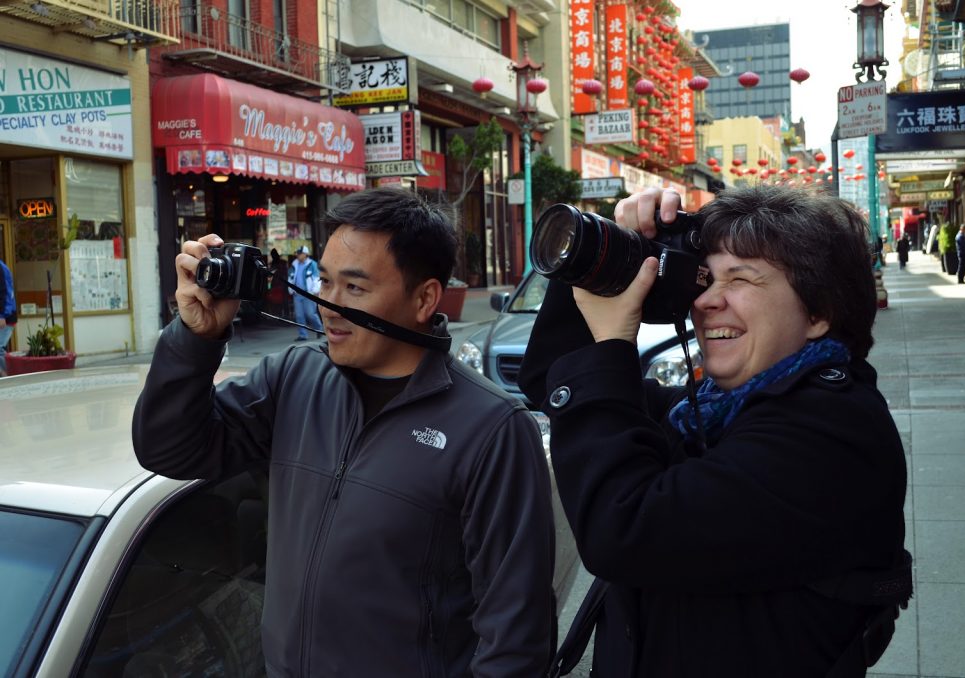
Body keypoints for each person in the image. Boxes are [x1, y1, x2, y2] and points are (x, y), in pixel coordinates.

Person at [133, 186, 556, 676]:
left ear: (424, 298)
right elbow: (169, 449)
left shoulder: (493, 431)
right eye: (325, 281)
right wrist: (194, 339)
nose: (329, 306)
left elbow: (516, 637)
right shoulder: (293, 378)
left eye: (354, 288)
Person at [520, 185, 909, 677]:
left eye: (740, 278)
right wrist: (598, 266)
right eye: (706, 278)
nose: (705, 302)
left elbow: (622, 530)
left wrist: (612, 345)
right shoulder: (714, 409)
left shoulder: (832, 434)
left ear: (818, 313)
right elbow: (555, 384)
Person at [288, 244, 324, 340]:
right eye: (298, 254)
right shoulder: (294, 264)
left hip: (309, 294)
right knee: (299, 316)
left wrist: (315, 290)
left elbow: (317, 279)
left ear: (305, 254)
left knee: (310, 314)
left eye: (300, 253)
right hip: (297, 294)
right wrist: (291, 289)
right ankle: (303, 335)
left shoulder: (312, 264)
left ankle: (319, 329)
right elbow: (291, 277)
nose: (298, 255)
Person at [0, 257, 16, 378]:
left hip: (5, 316)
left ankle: (7, 377)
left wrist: (2, 315)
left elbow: (5, 293)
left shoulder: (1, 268)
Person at [264, 248, 289, 317]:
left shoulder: (280, 263)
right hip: (277, 284)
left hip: (281, 283)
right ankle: (279, 315)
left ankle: (283, 315)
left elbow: (284, 273)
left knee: (282, 301)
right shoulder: (276, 263)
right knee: (277, 300)